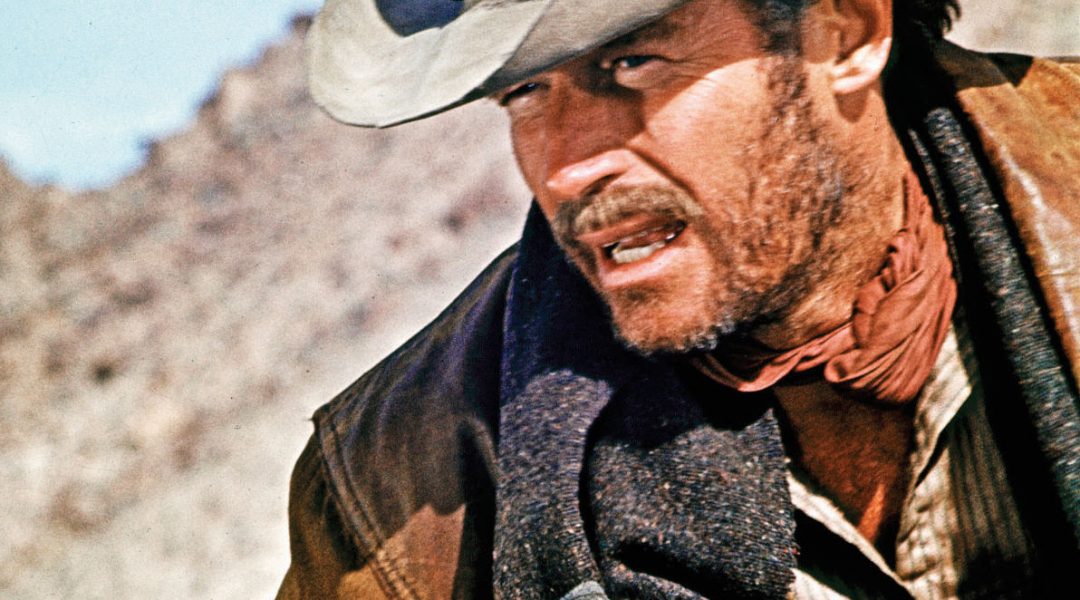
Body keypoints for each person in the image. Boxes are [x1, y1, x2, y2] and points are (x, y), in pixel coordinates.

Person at [279, 0, 1080, 598]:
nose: (566, 168)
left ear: (846, 34)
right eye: (524, 92)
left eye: (632, 63)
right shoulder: (388, 494)